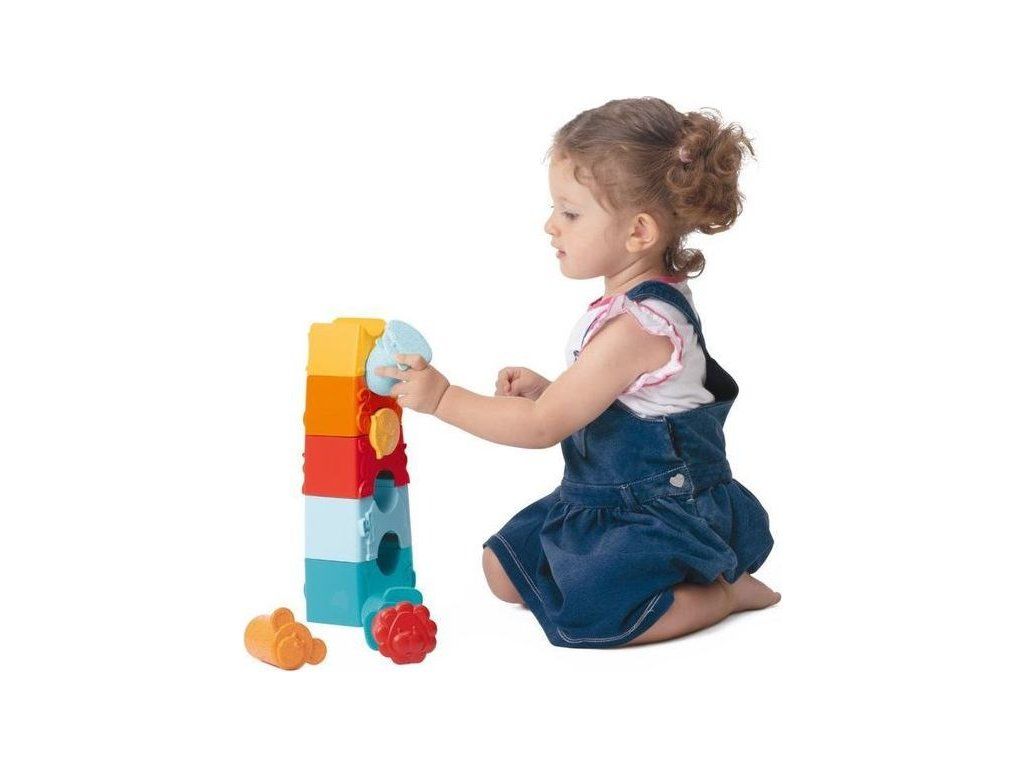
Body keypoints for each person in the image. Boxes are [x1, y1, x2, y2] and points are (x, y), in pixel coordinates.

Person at [374, 97, 780, 649]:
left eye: (569, 213)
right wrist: (551, 389)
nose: (550, 226)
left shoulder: (638, 327)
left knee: (595, 616)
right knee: (503, 568)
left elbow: (542, 427)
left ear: (638, 231)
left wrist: (443, 397)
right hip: (600, 494)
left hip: (656, 510)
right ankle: (669, 581)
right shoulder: (631, 308)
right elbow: (621, 400)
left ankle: (723, 595)